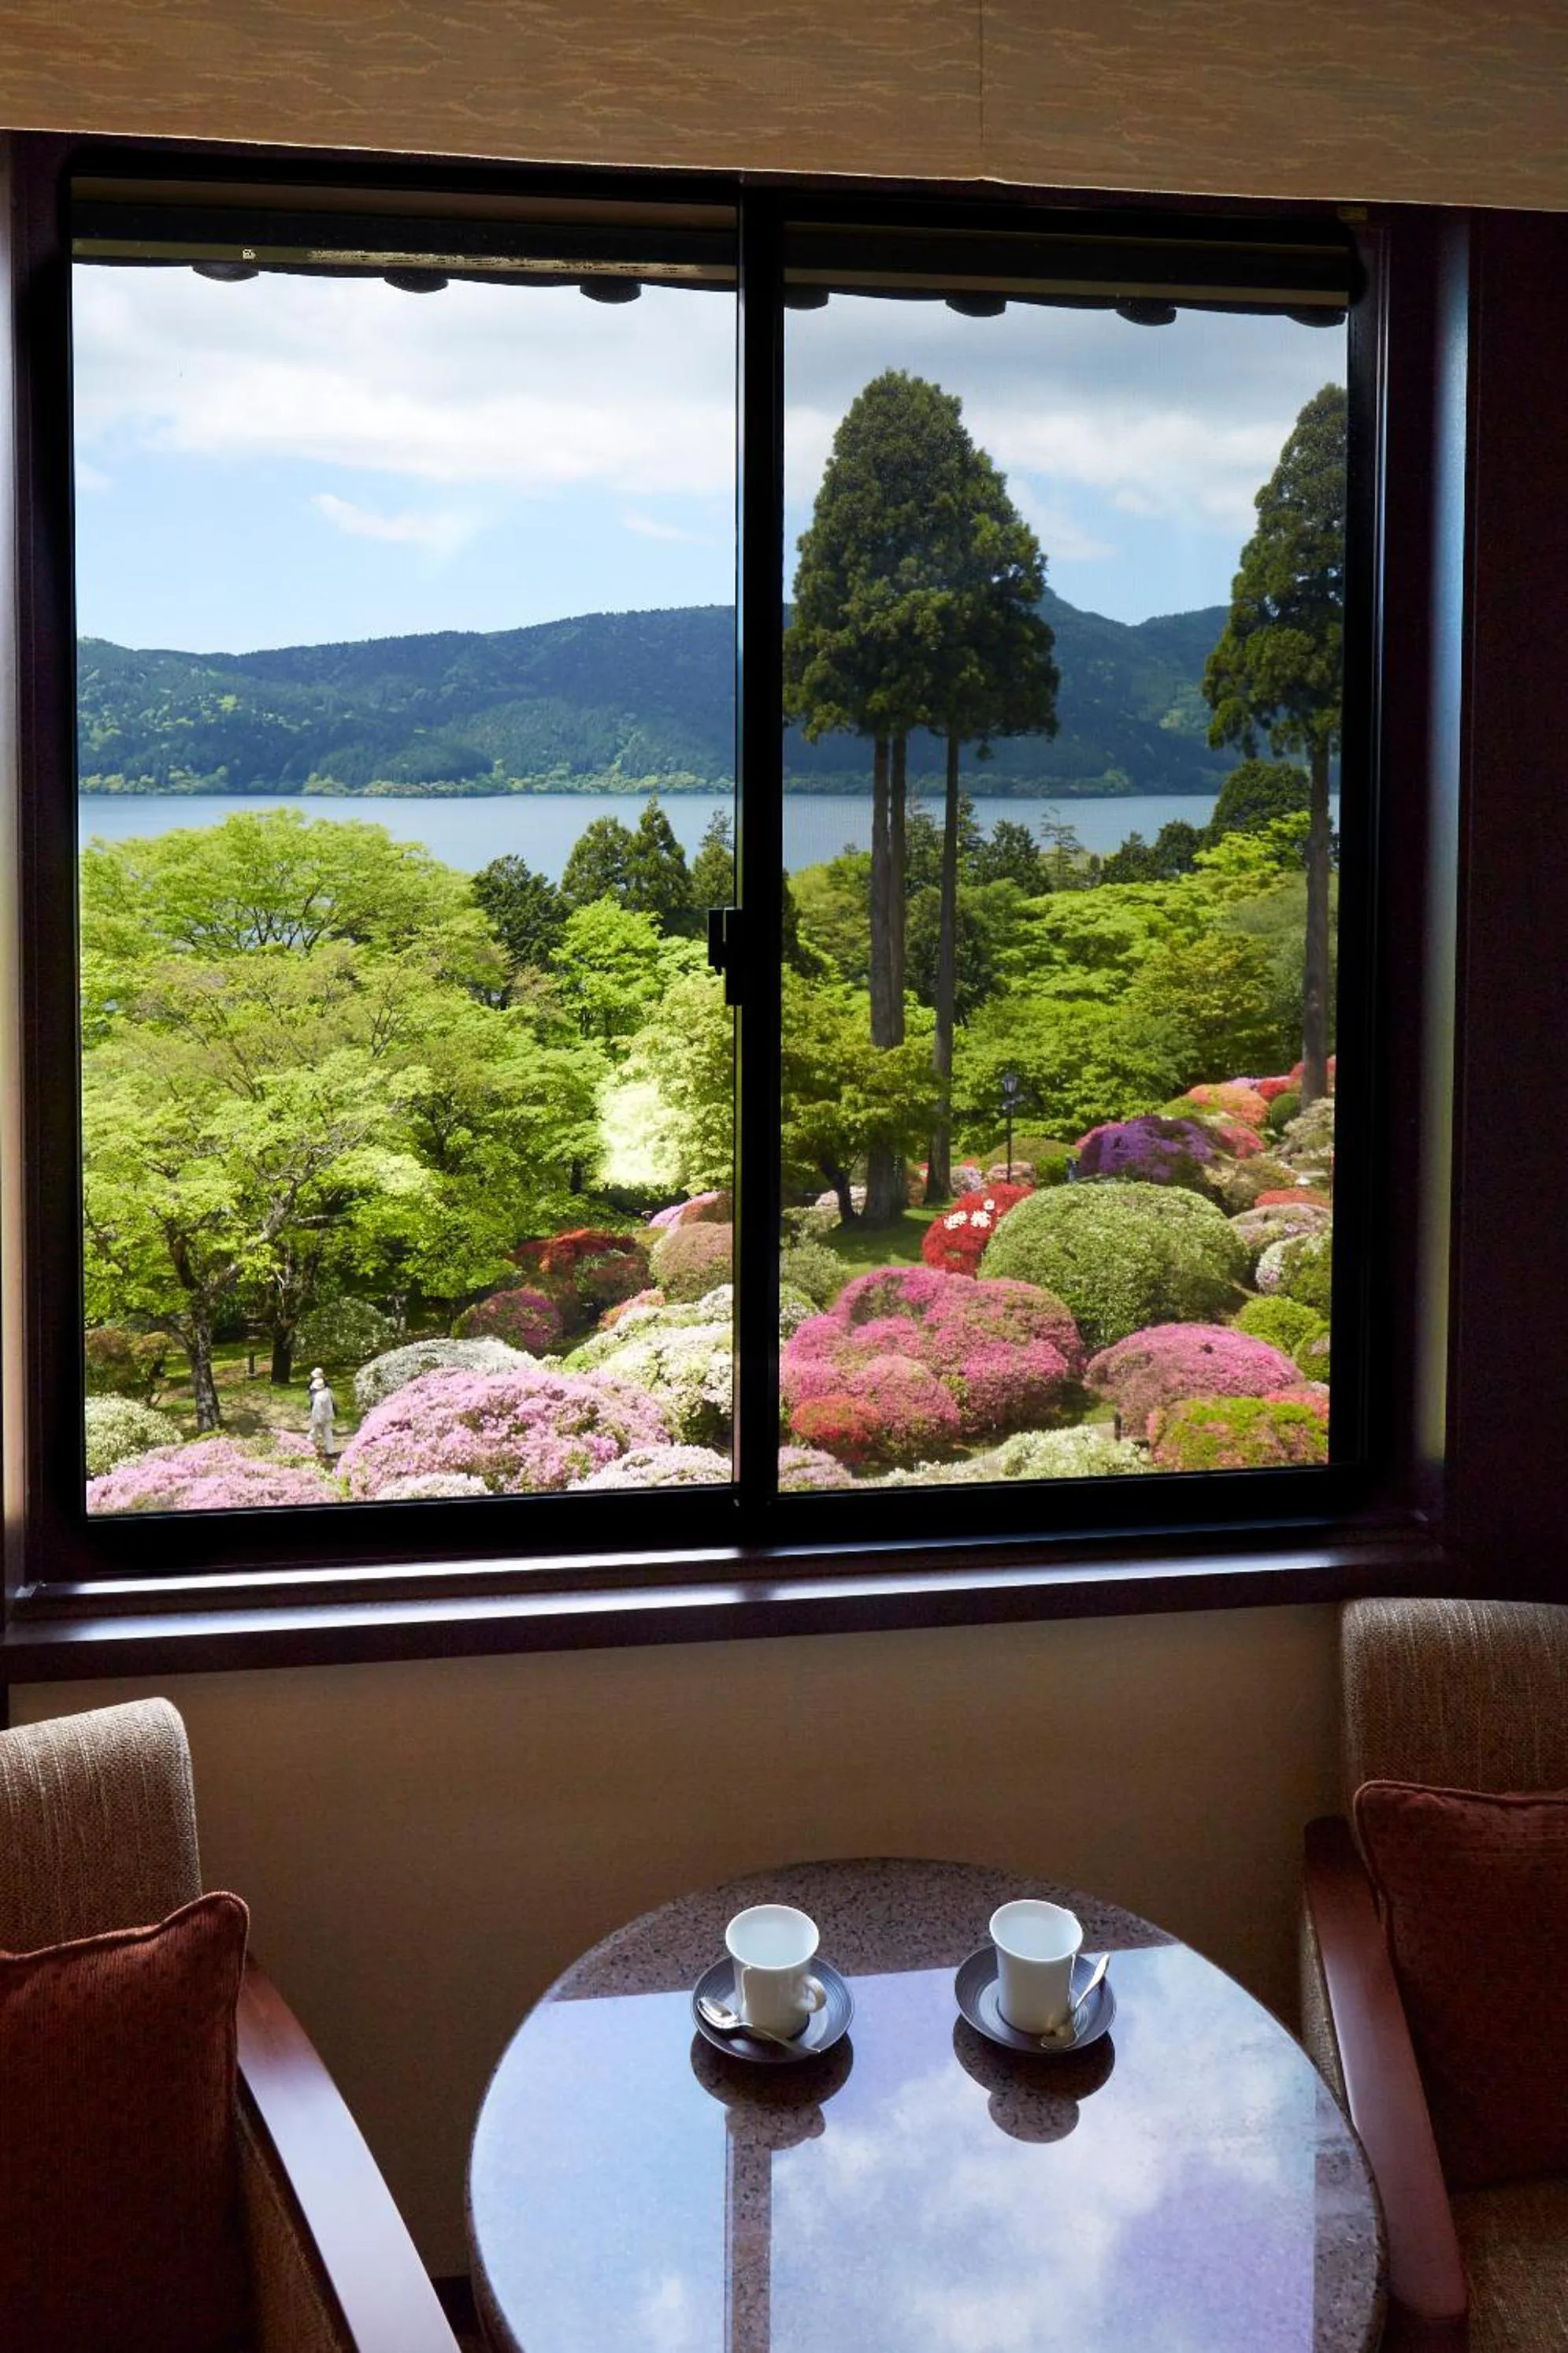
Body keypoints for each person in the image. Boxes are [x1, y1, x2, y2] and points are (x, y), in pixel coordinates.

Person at [306, 1366, 337, 1460]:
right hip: (328, 1416)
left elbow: (315, 1408)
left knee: (313, 1434)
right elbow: (334, 1403)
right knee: (328, 1434)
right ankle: (330, 1451)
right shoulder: (328, 1391)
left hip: (318, 1417)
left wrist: (315, 1419)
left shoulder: (316, 1395)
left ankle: (308, 1449)